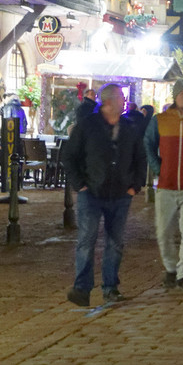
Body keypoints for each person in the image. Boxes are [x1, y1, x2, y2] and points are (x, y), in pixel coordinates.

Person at [59, 83, 147, 306]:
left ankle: (110, 287)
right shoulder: (88, 126)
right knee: (86, 241)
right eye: (120, 97)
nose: (124, 101)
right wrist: (80, 185)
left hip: (120, 194)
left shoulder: (129, 127)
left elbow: (140, 158)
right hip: (92, 192)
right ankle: (82, 288)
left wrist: (134, 186)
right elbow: (69, 156)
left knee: (115, 242)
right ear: (108, 101)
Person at [145, 80, 183, 291]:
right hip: (166, 185)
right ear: (175, 96)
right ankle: (171, 268)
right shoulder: (160, 120)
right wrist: (158, 168)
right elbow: (148, 144)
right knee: (163, 231)